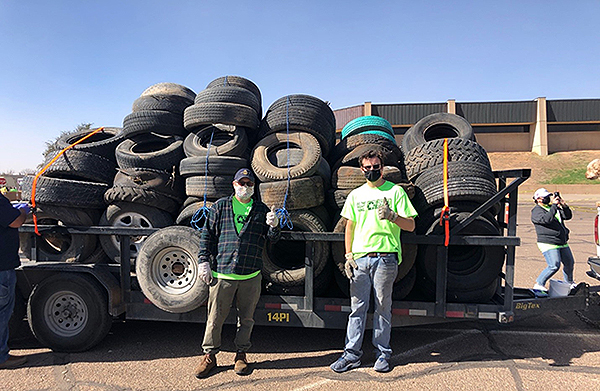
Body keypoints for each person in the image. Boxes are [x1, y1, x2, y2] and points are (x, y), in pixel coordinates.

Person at [331, 149, 417, 373]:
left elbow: (411, 225)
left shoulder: (395, 192)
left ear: (382, 167)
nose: (372, 171)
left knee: (382, 308)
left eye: (376, 167)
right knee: (357, 308)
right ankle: (351, 355)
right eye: (367, 168)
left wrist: (392, 216)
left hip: (385, 258)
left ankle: (382, 354)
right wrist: (348, 255)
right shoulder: (356, 195)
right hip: (360, 259)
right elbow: (349, 226)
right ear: (361, 169)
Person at [194, 168, 280, 378]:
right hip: (223, 273)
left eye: (249, 184)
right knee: (215, 318)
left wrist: (274, 226)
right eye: (242, 183)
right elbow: (208, 236)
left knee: (246, 318)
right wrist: (203, 260)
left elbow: (272, 239)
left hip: (250, 275)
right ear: (234, 185)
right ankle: (210, 355)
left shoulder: (260, 209)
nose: (245, 187)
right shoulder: (221, 206)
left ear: (254, 187)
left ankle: (241, 354)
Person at [0, 196, 30, 369]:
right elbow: (16, 221)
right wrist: (22, 211)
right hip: (2, 267)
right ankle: (1, 357)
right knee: (2, 314)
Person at [531, 188, 575, 291]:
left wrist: (563, 205)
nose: (548, 199)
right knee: (554, 265)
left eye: (549, 197)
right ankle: (539, 283)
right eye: (546, 197)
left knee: (569, 263)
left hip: (561, 241)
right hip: (548, 242)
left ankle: (569, 283)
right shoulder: (536, 211)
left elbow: (567, 216)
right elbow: (547, 220)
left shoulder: (552, 208)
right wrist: (554, 206)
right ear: (538, 199)